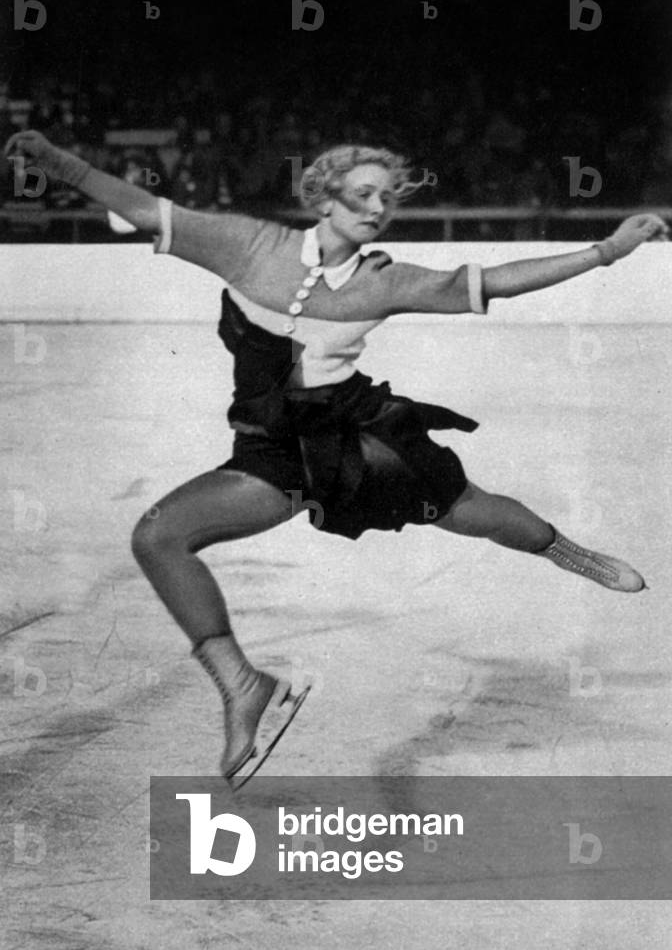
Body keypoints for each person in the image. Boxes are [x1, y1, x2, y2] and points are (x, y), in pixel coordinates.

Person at [4, 130, 668, 784]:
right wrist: (59, 162)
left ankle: (569, 552)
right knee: (157, 536)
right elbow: (146, 208)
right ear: (323, 197)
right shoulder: (248, 244)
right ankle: (245, 685)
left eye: (388, 199)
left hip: (357, 437)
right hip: (270, 450)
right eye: (364, 194)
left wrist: (606, 251)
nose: (378, 208)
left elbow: (494, 281)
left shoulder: (386, 280)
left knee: (472, 510)